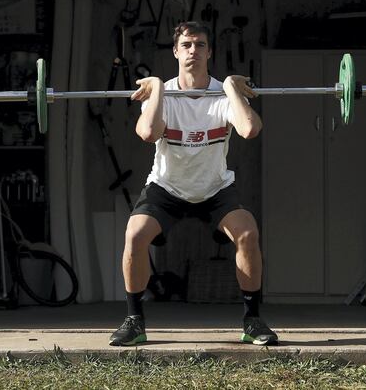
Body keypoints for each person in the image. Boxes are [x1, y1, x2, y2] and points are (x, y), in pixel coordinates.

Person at [109, 21, 278, 346]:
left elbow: (249, 129)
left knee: (248, 232)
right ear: (175, 51)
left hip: (215, 189)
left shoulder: (222, 94)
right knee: (135, 233)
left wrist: (229, 85)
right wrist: (158, 85)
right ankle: (135, 321)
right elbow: (148, 133)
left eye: (200, 44)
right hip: (167, 188)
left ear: (209, 51)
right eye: (186, 45)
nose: (193, 51)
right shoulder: (163, 95)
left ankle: (253, 321)